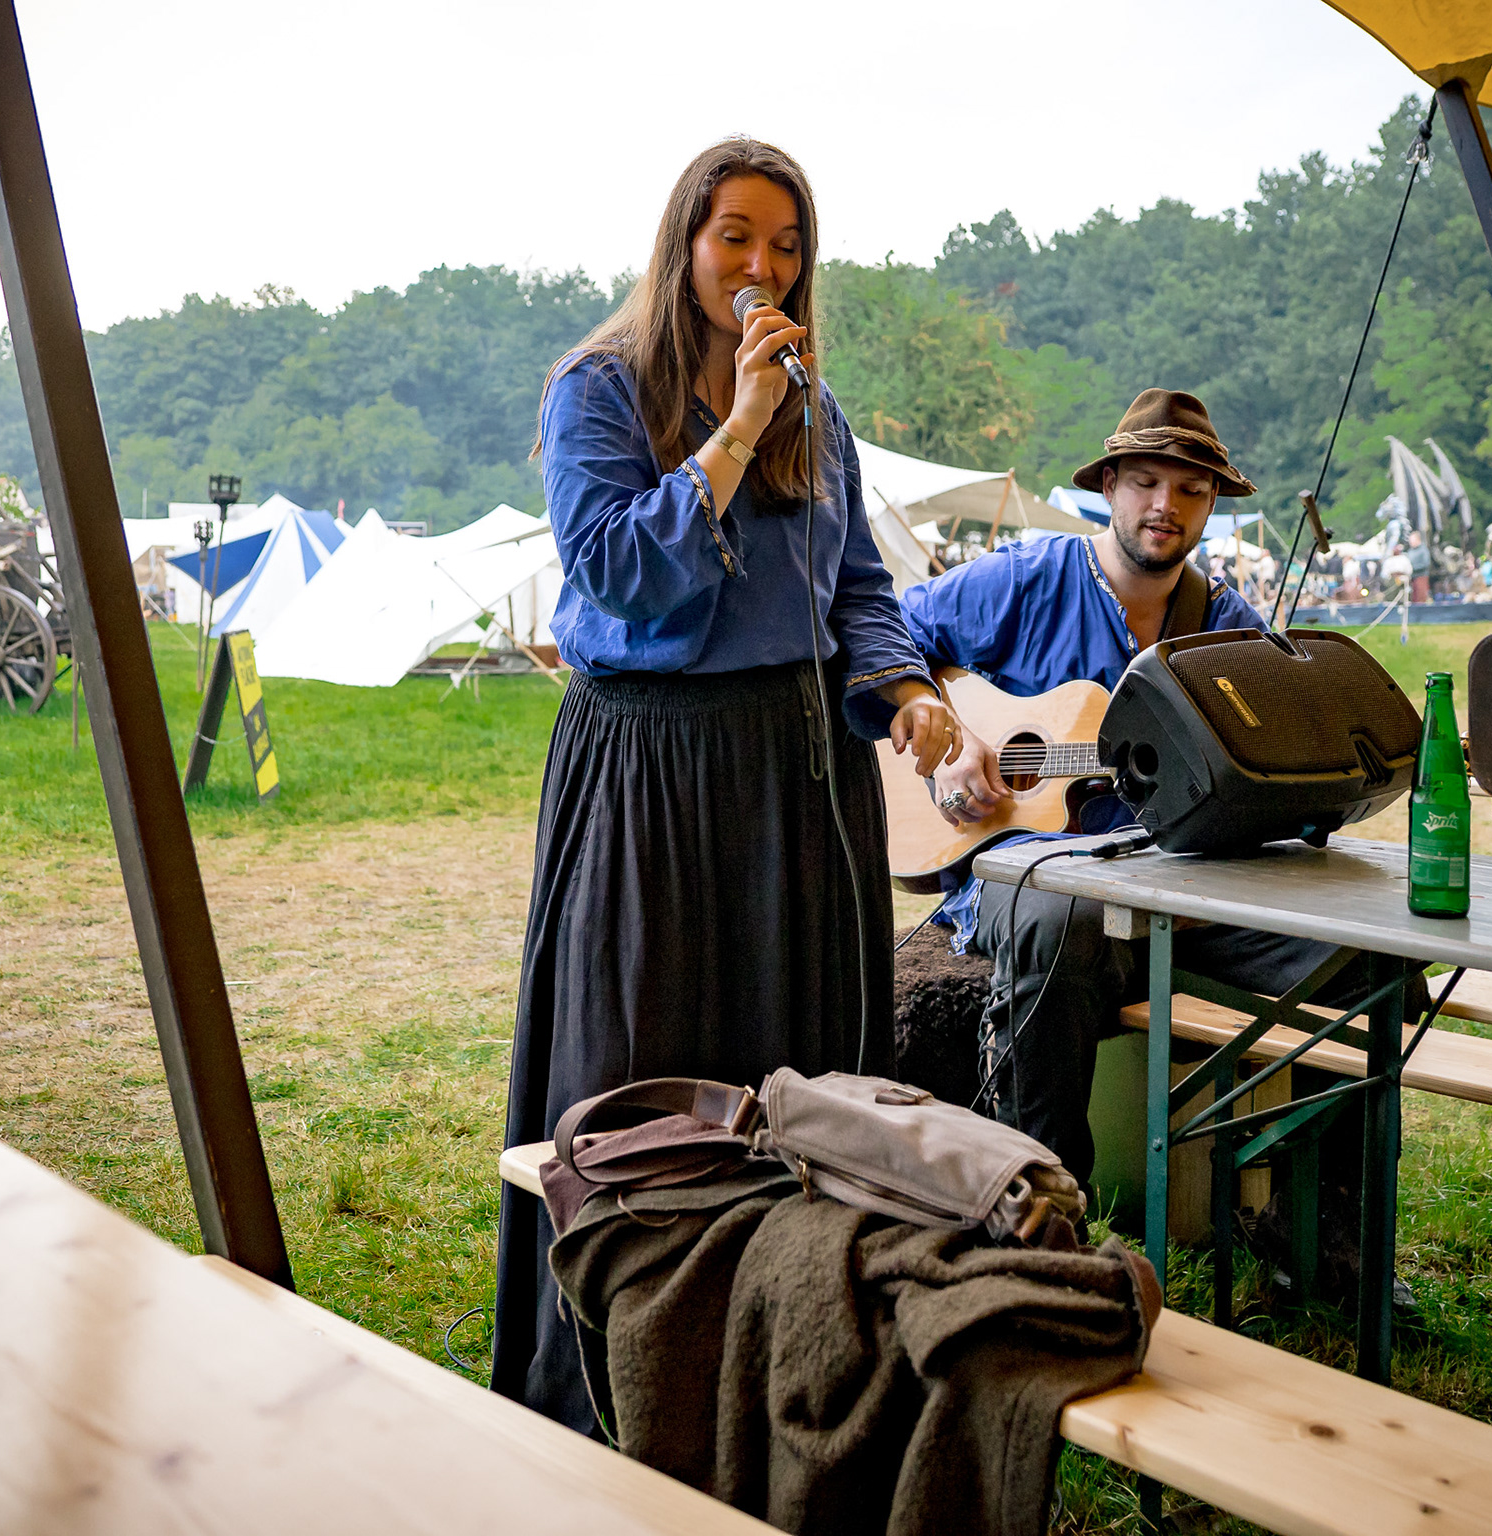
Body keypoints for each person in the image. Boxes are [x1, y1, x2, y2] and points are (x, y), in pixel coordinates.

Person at [492, 138, 958, 1430]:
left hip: (799, 773)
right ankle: (612, 1396)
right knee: (639, 1081)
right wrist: (739, 430)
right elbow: (619, 577)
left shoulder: (826, 414)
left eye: (788, 245)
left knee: (792, 1083)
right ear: (685, 244)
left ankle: (778, 1375)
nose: (765, 269)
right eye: (738, 238)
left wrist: (909, 690)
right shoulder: (598, 392)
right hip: (654, 770)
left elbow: (858, 591)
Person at [897, 389, 1366, 1189]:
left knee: (1358, 957)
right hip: (1028, 876)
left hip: (1187, 893)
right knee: (1065, 914)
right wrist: (949, 734)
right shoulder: (1025, 579)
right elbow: (887, 630)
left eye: (1190, 490)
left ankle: (1320, 1223)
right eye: (1146, 482)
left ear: (1212, 503)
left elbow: (1290, 774)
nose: (1165, 506)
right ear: (1109, 486)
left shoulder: (1229, 628)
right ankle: (1044, 1209)